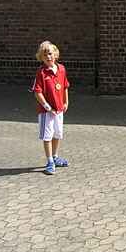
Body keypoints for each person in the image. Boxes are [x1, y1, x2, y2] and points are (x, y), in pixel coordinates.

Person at [32, 40, 70, 175]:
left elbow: (65, 86)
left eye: (50, 54)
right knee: (47, 136)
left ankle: (55, 156)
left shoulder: (61, 69)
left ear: (55, 55)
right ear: (41, 58)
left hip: (59, 110)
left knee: (57, 134)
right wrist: (47, 107)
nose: (48, 57)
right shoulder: (41, 73)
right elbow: (37, 92)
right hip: (46, 112)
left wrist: (66, 102)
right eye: (44, 55)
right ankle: (49, 161)